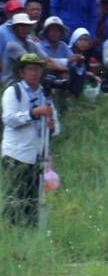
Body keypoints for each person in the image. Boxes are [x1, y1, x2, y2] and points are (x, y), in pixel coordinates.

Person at [2, 54, 55, 227]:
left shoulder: (45, 94)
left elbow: (56, 126)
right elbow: (9, 119)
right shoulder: (13, 91)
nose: (34, 73)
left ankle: (31, 234)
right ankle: (12, 234)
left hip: (37, 155)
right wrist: (33, 113)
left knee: (34, 200)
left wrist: (53, 125)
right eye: (30, 69)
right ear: (22, 72)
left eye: (37, 69)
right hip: (15, 154)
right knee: (14, 200)